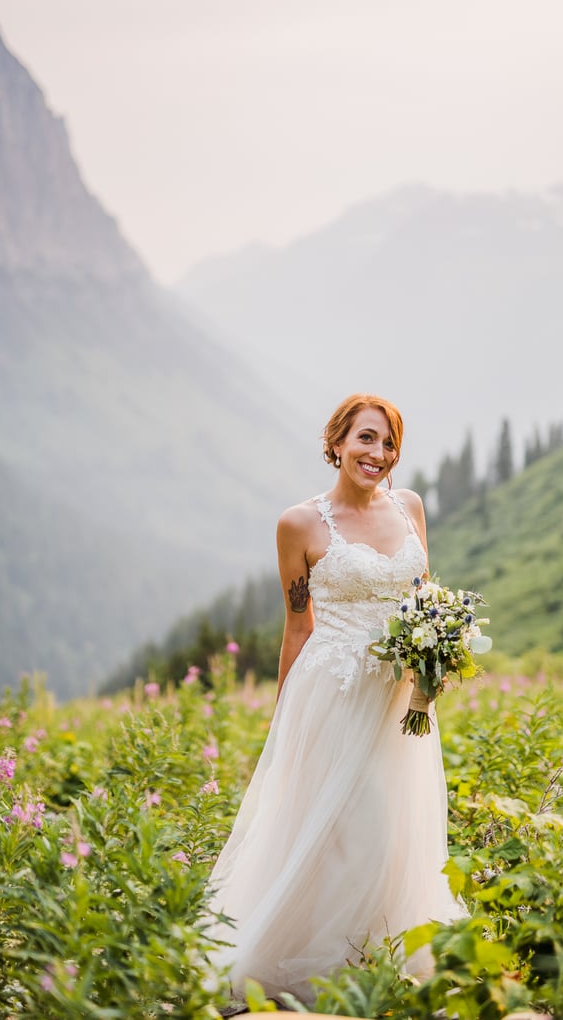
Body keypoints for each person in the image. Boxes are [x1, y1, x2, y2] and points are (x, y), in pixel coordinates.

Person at [208, 394, 465, 1007]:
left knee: (395, 824)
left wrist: (436, 660)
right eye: (366, 439)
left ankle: (384, 954)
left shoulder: (410, 509)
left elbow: (422, 600)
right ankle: (328, 967)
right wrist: (284, 729)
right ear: (338, 443)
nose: (378, 453)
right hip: (334, 692)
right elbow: (298, 627)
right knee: (348, 825)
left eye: (388, 443)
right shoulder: (299, 524)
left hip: (401, 695)